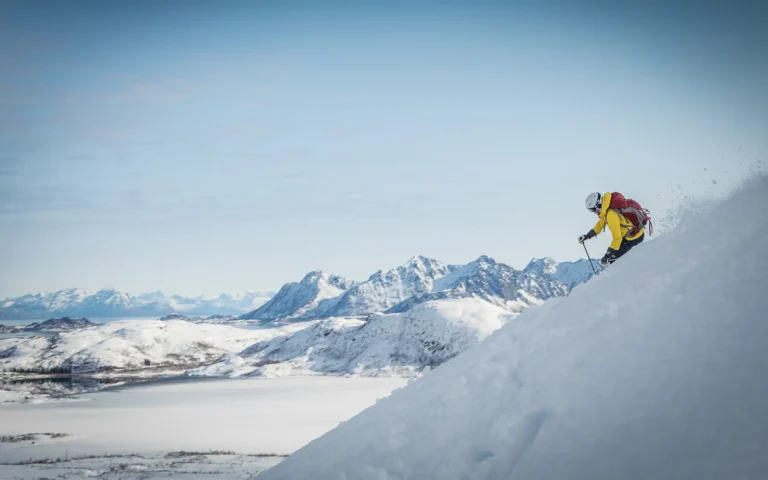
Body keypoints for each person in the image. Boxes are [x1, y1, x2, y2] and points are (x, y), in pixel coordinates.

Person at [578, 192, 646, 266]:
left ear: (597, 206)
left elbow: (617, 238)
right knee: (614, 257)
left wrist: (608, 255)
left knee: (613, 260)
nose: (593, 212)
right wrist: (587, 236)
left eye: (593, 210)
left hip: (634, 238)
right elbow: (600, 225)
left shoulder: (610, 215)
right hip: (630, 235)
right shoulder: (606, 209)